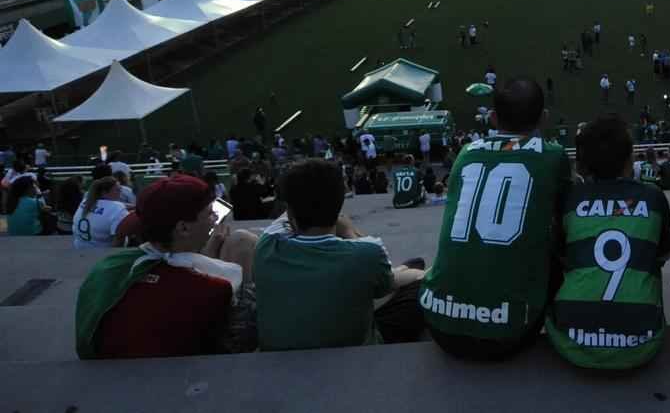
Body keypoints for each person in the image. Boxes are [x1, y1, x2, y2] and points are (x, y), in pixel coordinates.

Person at [421, 78, 572, 361]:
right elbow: (567, 218)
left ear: (492, 117)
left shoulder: (466, 154)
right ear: (544, 118)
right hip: (510, 331)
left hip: (441, 323)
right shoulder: (554, 156)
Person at [75, 175, 260, 359]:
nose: (215, 220)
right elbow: (242, 340)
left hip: (109, 371)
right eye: (210, 214)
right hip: (178, 379)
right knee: (243, 242)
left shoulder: (107, 267)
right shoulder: (214, 289)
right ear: (183, 228)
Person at [255, 159, 426, 350]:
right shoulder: (367, 253)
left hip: (278, 354)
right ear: (339, 204)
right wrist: (349, 231)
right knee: (418, 285)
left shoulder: (267, 245)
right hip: (353, 351)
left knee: (407, 267)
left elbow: (295, 206)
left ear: (289, 210)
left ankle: (408, 269)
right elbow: (386, 282)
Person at [546, 115, 670, 369]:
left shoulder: (570, 198)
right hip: (642, 343)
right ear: (629, 160)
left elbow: (559, 256)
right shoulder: (653, 196)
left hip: (570, 341)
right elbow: (663, 255)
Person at [74, 178, 131, 250]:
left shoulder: (85, 202)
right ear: (104, 193)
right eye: (117, 190)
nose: (120, 192)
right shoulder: (118, 208)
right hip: (101, 253)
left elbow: (107, 206)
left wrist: (133, 206)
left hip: (80, 248)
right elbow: (119, 241)